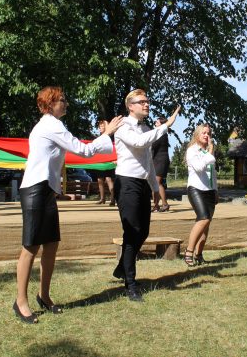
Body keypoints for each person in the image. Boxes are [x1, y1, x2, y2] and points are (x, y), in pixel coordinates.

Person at [13, 86, 122, 324]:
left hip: (46, 191)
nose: (66, 103)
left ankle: (44, 296)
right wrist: (107, 133)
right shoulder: (51, 125)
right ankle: (20, 302)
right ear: (50, 103)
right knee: (31, 246)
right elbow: (83, 150)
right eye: (62, 100)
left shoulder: (52, 125)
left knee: (51, 245)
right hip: (35, 190)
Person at [112, 89, 180, 302]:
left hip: (141, 184)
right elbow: (139, 142)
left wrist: (154, 188)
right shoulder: (123, 125)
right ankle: (130, 284)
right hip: (126, 182)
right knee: (132, 232)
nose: (147, 104)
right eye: (142, 101)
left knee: (144, 231)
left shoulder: (146, 128)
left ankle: (123, 267)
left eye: (147, 101)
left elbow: (148, 161)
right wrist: (165, 126)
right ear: (130, 106)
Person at [183, 124, 218, 266]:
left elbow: (212, 174)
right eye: (203, 133)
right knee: (203, 218)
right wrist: (210, 152)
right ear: (197, 135)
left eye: (208, 133)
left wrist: (216, 190)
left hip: (210, 190)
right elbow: (199, 168)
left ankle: (199, 254)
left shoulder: (207, 152)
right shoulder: (192, 150)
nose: (206, 135)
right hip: (196, 189)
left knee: (206, 224)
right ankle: (189, 251)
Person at [94, 119, 116, 206]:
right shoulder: (99, 137)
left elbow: (113, 148)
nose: (100, 128)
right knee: (100, 180)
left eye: (102, 126)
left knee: (108, 179)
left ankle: (113, 199)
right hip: (100, 161)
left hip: (108, 161)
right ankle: (102, 198)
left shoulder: (109, 137)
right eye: (99, 126)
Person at [151, 117, 171, 212]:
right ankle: (156, 205)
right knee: (154, 183)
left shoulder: (161, 134)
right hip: (156, 160)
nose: (155, 122)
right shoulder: (159, 133)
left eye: (157, 122)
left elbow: (152, 145)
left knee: (156, 183)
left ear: (162, 125)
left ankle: (164, 204)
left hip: (161, 160)